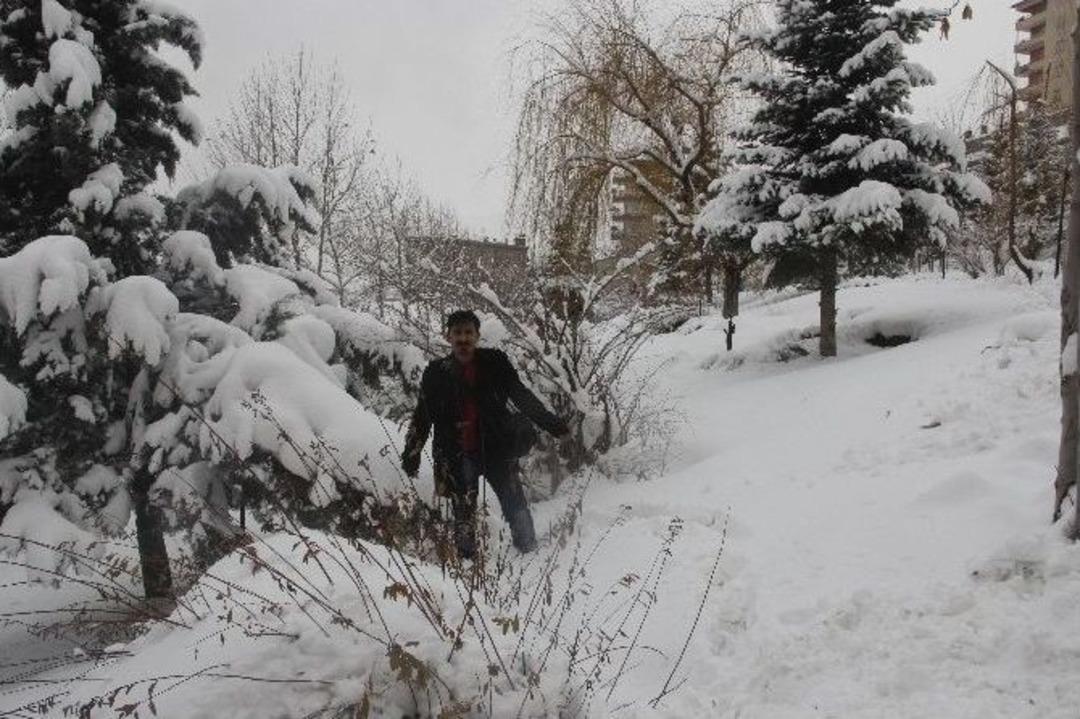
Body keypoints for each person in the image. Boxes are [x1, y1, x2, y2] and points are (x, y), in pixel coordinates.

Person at [401, 309, 570, 558]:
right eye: (457, 333)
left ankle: (530, 553)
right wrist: (412, 453)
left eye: (468, 332)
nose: (463, 339)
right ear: (448, 337)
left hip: (497, 448)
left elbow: (521, 396)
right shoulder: (436, 372)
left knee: (515, 504)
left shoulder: (496, 363)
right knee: (463, 515)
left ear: (478, 336)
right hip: (457, 454)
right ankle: (468, 564)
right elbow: (423, 415)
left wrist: (553, 425)